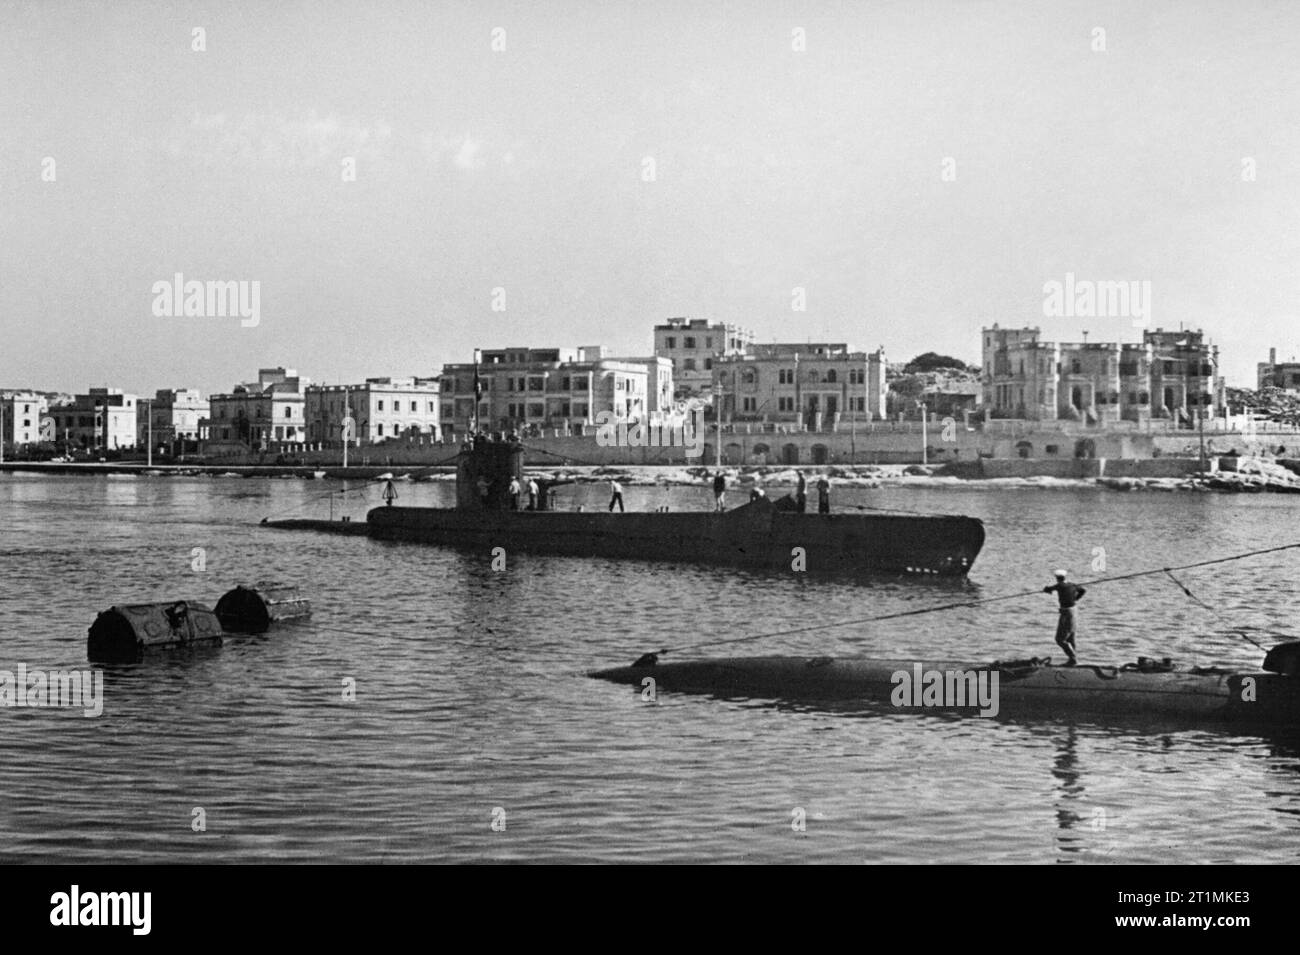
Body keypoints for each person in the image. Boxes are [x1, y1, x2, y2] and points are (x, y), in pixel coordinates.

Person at [1043, 569, 1086, 665]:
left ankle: (1073, 659)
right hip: (1074, 611)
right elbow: (1083, 590)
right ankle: (1073, 661)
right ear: (1065, 577)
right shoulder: (1072, 585)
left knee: (1059, 639)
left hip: (1066, 613)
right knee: (1071, 638)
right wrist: (1075, 598)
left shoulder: (1060, 585)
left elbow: (1049, 589)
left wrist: (1046, 589)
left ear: (1057, 578)